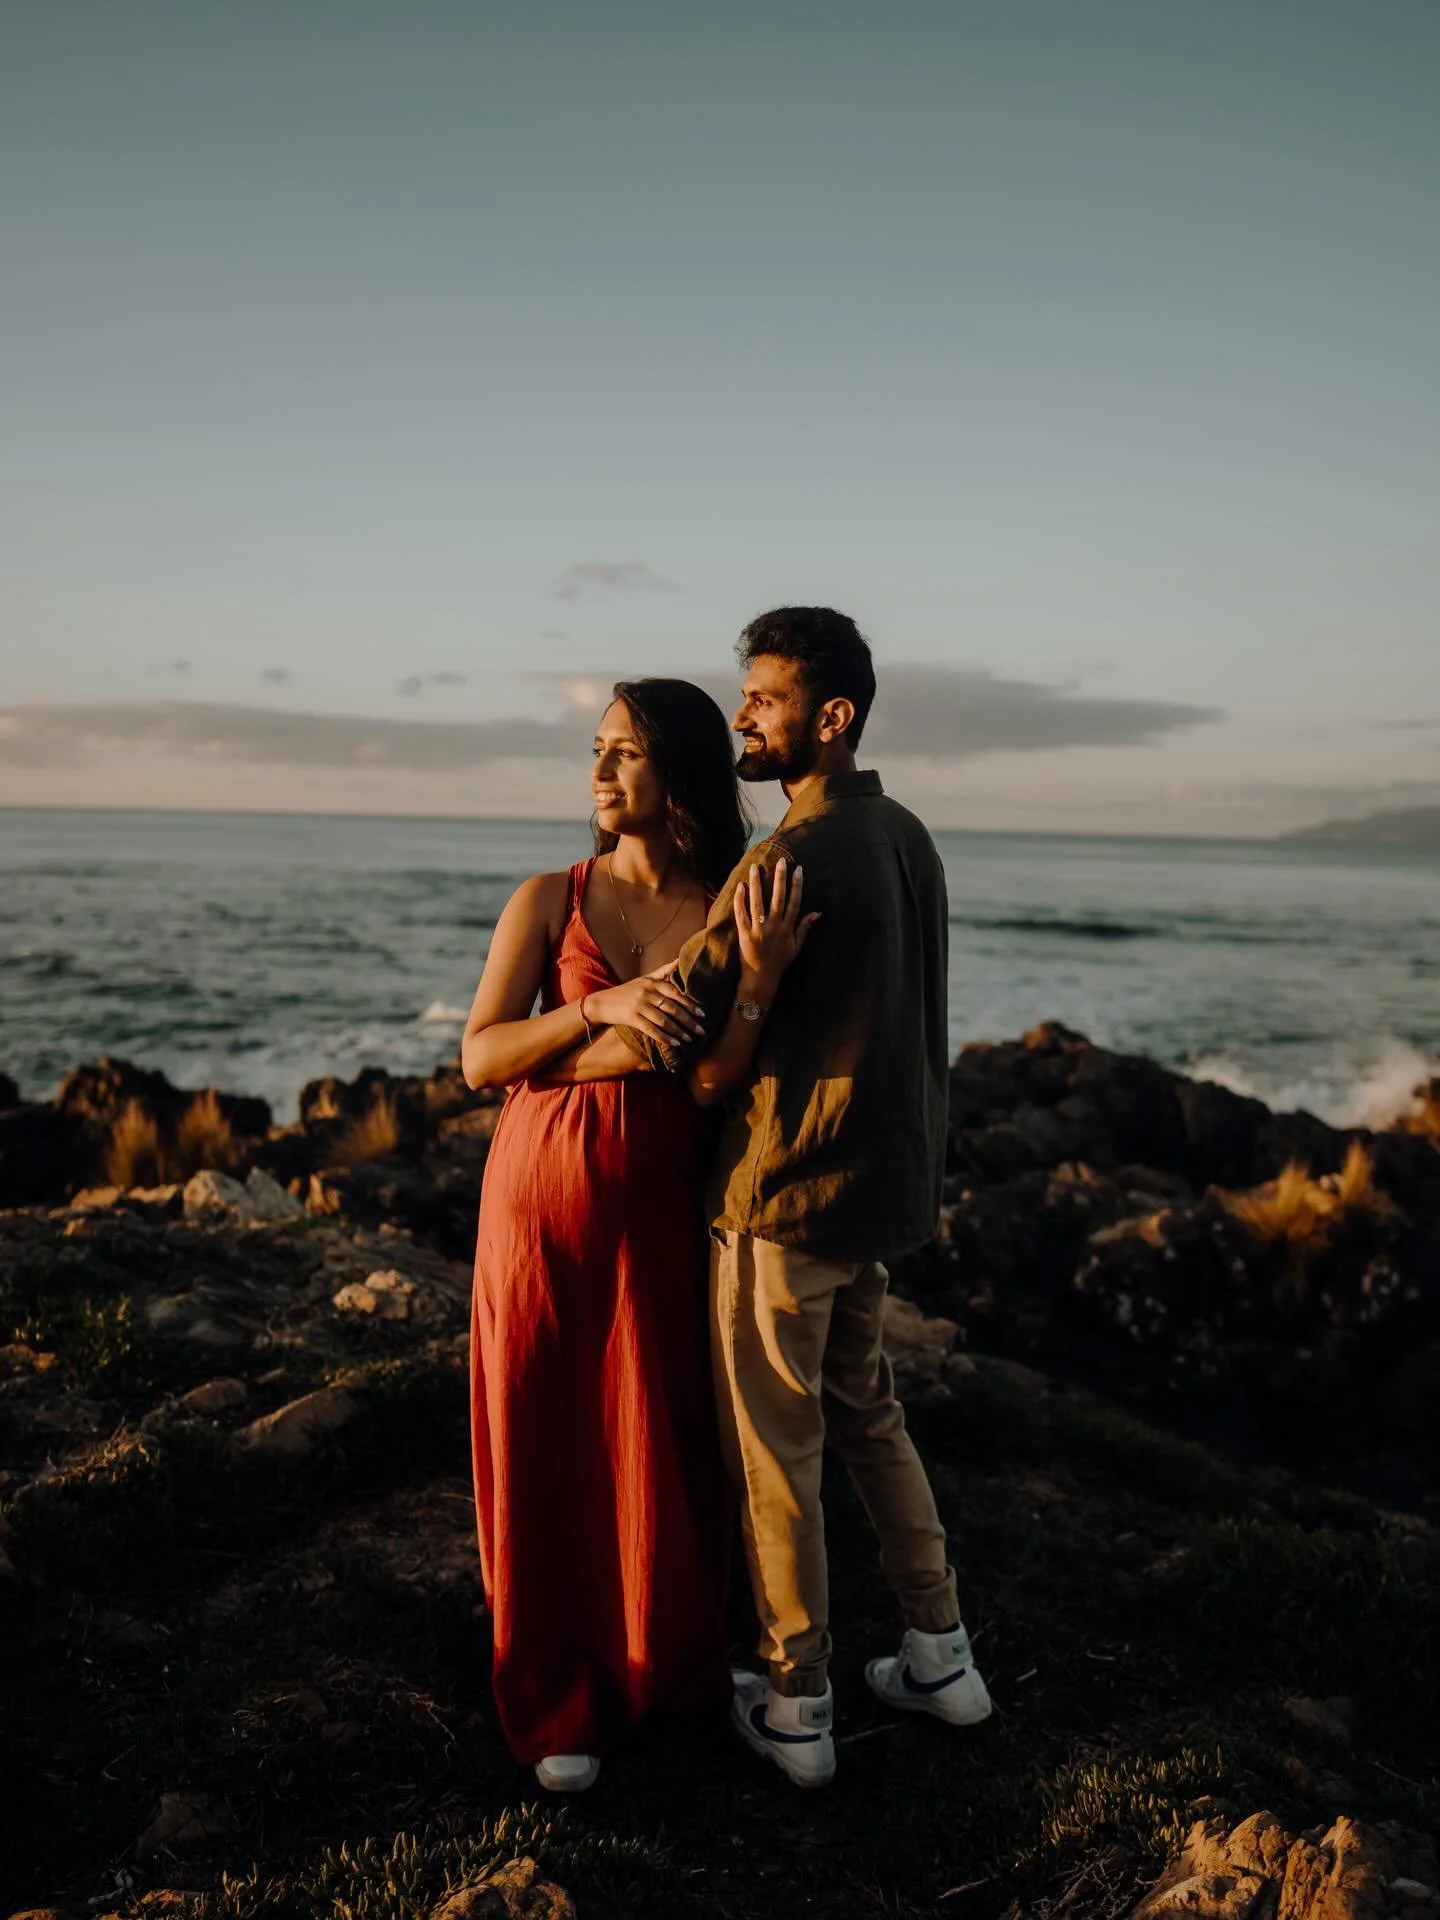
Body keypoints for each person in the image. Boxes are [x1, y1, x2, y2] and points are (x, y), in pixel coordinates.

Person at [564, 609, 992, 1788]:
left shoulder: (789, 857)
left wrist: (545, 1055)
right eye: (744, 696)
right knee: (870, 1417)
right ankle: (942, 1652)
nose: (743, 717)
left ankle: (797, 1701)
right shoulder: (907, 838)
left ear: (832, 716)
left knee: (775, 1456)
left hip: (785, 1198)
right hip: (877, 1195)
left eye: (764, 699)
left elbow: (676, 1023)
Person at [461, 675, 816, 1795]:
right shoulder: (549, 899)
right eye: (597, 749)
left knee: (655, 1427)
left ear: (682, 771)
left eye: (625, 751)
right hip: (535, 1206)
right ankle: (555, 1695)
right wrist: (599, 1007)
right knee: (542, 1430)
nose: (600, 770)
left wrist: (758, 980)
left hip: (663, 1205)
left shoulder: (724, 907)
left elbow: (712, 1079)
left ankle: (659, 1670)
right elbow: (480, 1057)